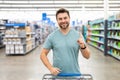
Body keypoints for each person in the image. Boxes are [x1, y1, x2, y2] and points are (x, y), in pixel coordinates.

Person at [40, 8, 90, 76]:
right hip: (58, 76)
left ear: (69, 18)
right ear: (57, 20)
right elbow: (42, 54)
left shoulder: (78, 35)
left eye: (65, 18)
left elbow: (87, 56)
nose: (63, 21)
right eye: (60, 19)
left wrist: (83, 46)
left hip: (75, 75)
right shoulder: (52, 36)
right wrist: (51, 68)